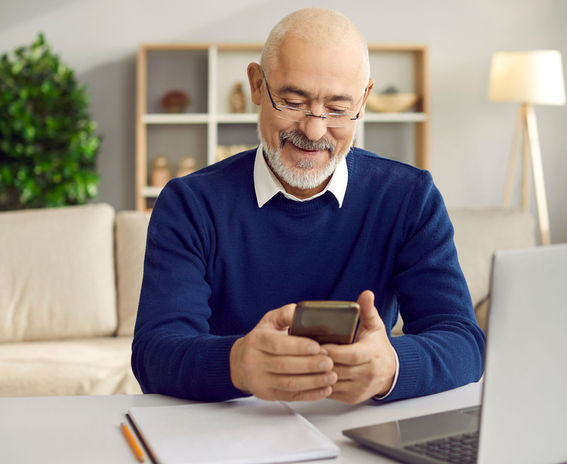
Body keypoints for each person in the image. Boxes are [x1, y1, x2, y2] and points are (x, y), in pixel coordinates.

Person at [131, 8, 484, 404]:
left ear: (364, 99)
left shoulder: (409, 198)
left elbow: (464, 342)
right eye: (293, 101)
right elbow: (154, 352)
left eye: (338, 108)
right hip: (230, 424)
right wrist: (237, 363)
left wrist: (390, 366)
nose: (314, 131)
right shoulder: (190, 204)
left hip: (355, 425)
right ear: (257, 86)